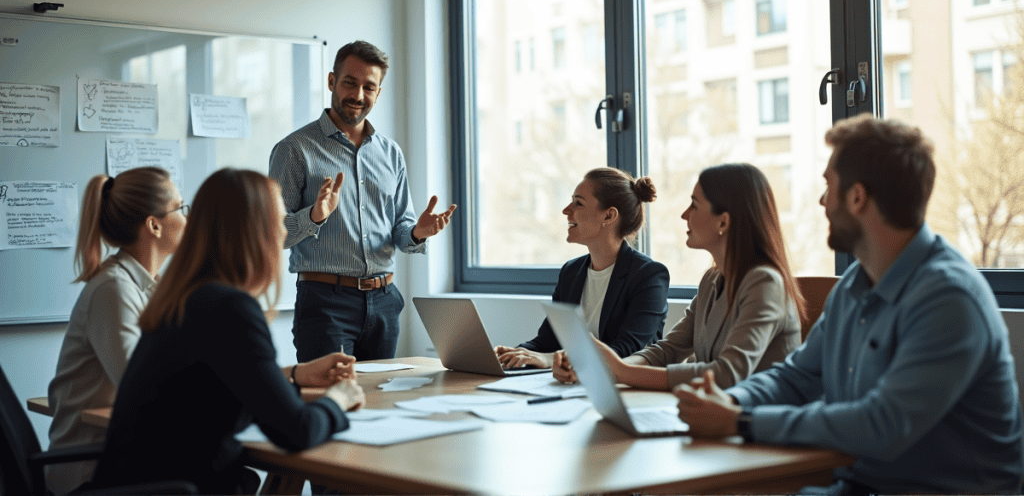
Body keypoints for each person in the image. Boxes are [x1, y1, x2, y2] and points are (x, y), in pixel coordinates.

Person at [675, 115, 1024, 494]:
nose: (823, 201)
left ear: (857, 197)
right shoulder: (853, 287)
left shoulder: (949, 299)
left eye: (829, 185)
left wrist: (741, 421)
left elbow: (882, 424)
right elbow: (796, 377)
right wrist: (725, 401)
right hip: (857, 485)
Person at [87, 169, 365, 495]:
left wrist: (293, 378)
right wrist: (339, 399)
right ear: (255, 234)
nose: (281, 232)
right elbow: (295, 432)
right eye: (277, 221)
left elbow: (218, 392)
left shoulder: (184, 300)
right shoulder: (228, 308)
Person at [270, 40, 456, 362]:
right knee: (333, 401)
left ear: (378, 92)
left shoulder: (390, 153)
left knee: (381, 402)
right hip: (325, 303)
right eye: (349, 83)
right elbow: (271, 235)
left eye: (369, 87)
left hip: (385, 302)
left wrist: (417, 233)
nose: (358, 96)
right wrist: (313, 216)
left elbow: (401, 229)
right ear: (331, 81)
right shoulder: (294, 150)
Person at [555, 163, 804, 391]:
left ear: (723, 222)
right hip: (713, 415)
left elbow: (728, 374)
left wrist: (623, 372)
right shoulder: (712, 280)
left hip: (758, 426)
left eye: (694, 204)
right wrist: (607, 367)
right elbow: (669, 349)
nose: (685, 214)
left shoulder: (765, 282)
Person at [45, 167, 186, 496]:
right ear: (154, 224)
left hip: (119, 456)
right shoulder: (114, 289)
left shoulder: (145, 287)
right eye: (181, 208)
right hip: (90, 473)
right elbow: (140, 385)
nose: (186, 217)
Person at [495, 167, 669, 370]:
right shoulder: (571, 271)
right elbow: (548, 341)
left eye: (578, 203)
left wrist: (551, 359)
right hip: (572, 386)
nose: (566, 210)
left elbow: (626, 350)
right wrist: (514, 354)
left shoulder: (649, 276)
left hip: (626, 391)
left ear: (609, 216)